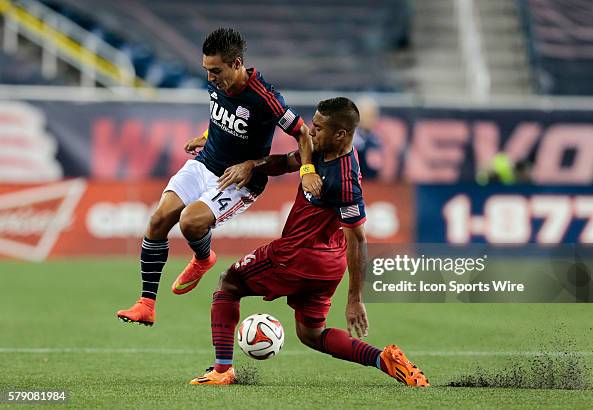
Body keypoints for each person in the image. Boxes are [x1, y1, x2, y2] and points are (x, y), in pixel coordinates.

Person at [189, 97, 430, 387]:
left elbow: (358, 239)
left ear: (341, 134)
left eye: (318, 127)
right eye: (313, 124)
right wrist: (251, 165)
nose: (311, 132)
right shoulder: (319, 149)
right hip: (327, 266)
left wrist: (355, 299)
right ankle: (384, 359)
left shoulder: (344, 179)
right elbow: (285, 162)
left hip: (296, 255)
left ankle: (222, 370)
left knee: (229, 282)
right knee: (311, 335)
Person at [117, 28, 322, 326]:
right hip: (205, 163)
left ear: (237, 64)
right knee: (159, 219)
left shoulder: (266, 98)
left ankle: (203, 258)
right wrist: (205, 136)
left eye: (216, 71)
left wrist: (304, 171)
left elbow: (303, 134)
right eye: (206, 70)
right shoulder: (218, 84)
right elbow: (222, 116)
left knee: (190, 221)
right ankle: (146, 304)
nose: (210, 77)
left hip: (238, 180)